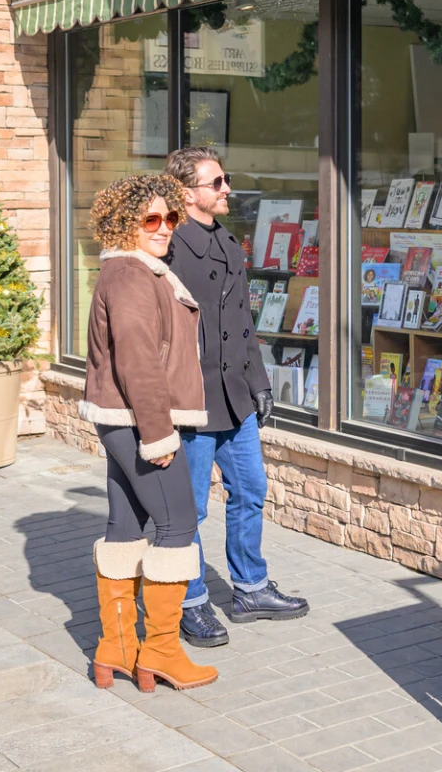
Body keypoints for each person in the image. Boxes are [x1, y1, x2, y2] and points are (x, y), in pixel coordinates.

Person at [165, 146, 309, 648]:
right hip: (193, 399)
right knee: (191, 510)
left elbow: (243, 323)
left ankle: (249, 589)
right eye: (217, 181)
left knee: (250, 489)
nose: (228, 188)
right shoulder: (169, 247)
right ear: (188, 193)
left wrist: (260, 381)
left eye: (226, 180)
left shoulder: (228, 244)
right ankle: (190, 601)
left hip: (236, 396)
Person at [78, 174, 217, 692]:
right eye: (151, 220)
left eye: (170, 218)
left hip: (121, 419)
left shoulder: (132, 271)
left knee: (125, 529)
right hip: (140, 422)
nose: (164, 229)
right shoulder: (133, 276)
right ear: (125, 224)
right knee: (178, 526)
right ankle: (160, 652)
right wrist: (159, 436)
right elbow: (139, 360)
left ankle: (115, 649)